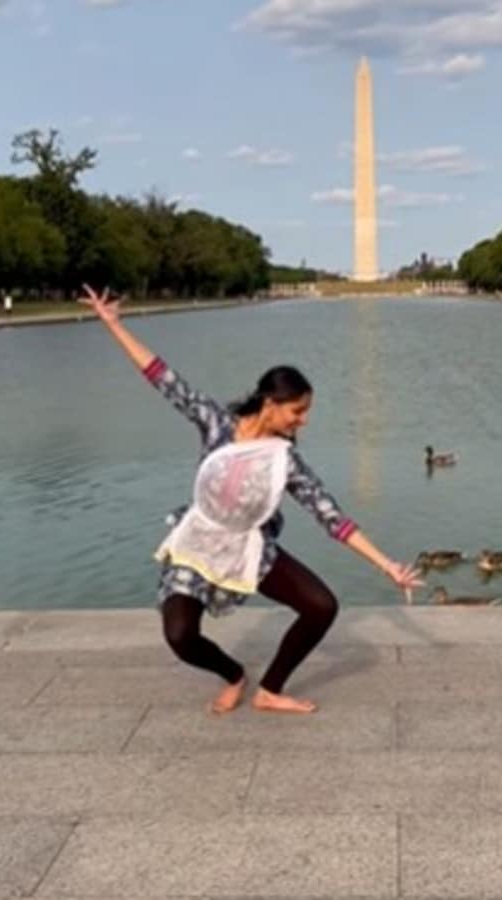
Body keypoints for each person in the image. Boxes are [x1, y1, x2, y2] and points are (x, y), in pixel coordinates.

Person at [78, 285, 422, 714]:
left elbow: (331, 517)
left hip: (249, 544)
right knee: (180, 636)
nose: (304, 420)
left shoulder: (285, 460)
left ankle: (270, 688)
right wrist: (113, 324)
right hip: (200, 540)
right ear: (271, 403)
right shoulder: (216, 424)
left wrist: (387, 565)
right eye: (298, 411)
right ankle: (234, 674)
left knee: (321, 606)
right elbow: (163, 378)